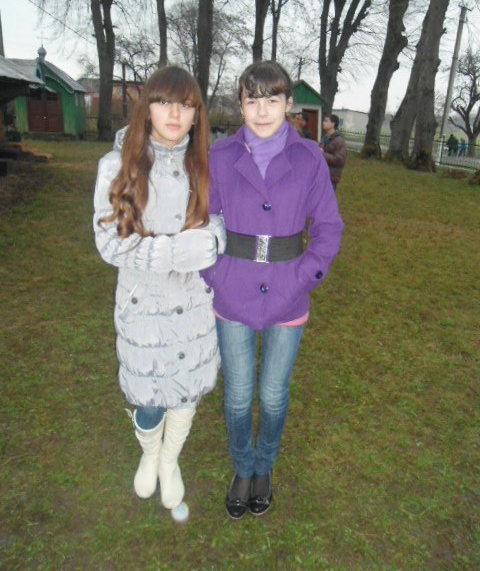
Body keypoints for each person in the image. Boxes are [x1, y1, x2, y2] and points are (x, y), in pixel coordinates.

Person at [202, 61, 344, 520]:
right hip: (233, 293)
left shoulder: (310, 159)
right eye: (252, 100)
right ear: (240, 105)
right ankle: (243, 467)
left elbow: (328, 228)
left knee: (274, 395)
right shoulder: (220, 156)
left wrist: (304, 276)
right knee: (238, 395)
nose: (262, 110)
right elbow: (202, 221)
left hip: (288, 293)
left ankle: (264, 466)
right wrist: (214, 274)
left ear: (288, 104)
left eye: (272, 99)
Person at [93, 66, 225, 523]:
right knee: (148, 397)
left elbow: (222, 220)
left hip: (192, 307)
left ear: (196, 115)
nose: (175, 114)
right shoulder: (117, 166)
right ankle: (149, 454)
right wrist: (170, 252)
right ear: (146, 107)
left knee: (186, 393)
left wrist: (214, 240)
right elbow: (109, 242)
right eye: (165, 102)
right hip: (143, 309)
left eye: (186, 105)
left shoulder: (205, 165)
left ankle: (170, 462)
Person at [321, 114, 347, 192]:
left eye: (326, 121)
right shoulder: (325, 138)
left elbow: (340, 160)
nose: (323, 122)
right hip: (321, 176)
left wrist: (322, 154)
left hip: (330, 179)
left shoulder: (339, 141)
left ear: (333, 124)